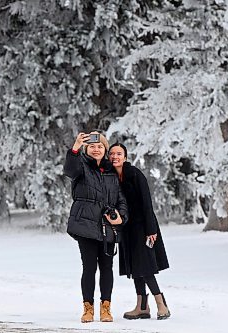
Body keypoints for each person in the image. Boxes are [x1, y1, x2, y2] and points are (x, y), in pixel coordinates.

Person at [63, 132, 128, 323]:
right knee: (89, 268)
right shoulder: (81, 166)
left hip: (107, 227)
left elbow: (121, 199)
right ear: (86, 149)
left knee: (107, 268)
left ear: (105, 149)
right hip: (85, 224)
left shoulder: (111, 172)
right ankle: (88, 308)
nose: (96, 149)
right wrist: (74, 148)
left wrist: (120, 217)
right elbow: (69, 170)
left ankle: (106, 307)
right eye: (92, 146)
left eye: (100, 146)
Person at [108, 142, 171, 320]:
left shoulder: (134, 174)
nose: (115, 156)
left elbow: (147, 202)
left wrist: (151, 229)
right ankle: (142, 306)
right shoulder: (111, 177)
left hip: (143, 227)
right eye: (112, 154)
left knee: (145, 266)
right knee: (135, 268)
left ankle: (161, 304)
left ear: (125, 157)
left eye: (119, 153)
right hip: (126, 228)